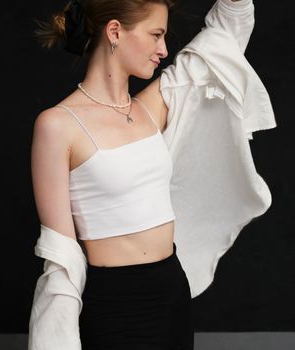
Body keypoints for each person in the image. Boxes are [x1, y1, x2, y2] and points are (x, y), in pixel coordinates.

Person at [28, 0, 276, 349]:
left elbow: (223, 39)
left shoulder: (150, 108)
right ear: (115, 32)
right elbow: (62, 255)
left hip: (172, 290)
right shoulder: (57, 125)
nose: (164, 49)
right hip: (117, 305)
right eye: (156, 35)